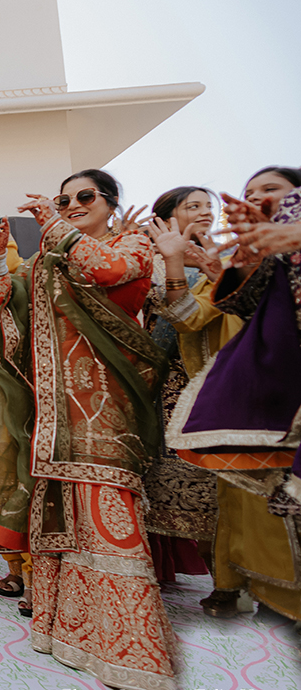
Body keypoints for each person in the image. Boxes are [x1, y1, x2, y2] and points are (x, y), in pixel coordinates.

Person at [0, 169, 176, 690]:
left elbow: (113, 272)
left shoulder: (130, 242)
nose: (72, 205)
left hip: (105, 407)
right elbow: (4, 297)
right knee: (60, 519)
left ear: (111, 202)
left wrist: (52, 224)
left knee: (108, 518)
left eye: (84, 197)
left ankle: (130, 649)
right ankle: (65, 630)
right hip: (55, 413)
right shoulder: (50, 258)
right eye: (64, 199)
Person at [167, 167, 301, 622]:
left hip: (285, 400)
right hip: (240, 405)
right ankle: (237, 586)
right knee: (242, 499)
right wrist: (185, 263)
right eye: (249, 192)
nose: (257, 197)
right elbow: (188, 317)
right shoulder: (240, 266)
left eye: (271, 190)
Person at [139, 187, 232, 585]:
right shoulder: (149, 261)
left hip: (210, 383)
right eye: (193, 206)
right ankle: (163, 567)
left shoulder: (226, 259)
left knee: (218, 484)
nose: (205, 213)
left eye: (209, 206)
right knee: (159, 479)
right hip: (159, 387)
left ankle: (229, 579)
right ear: (168, 217)